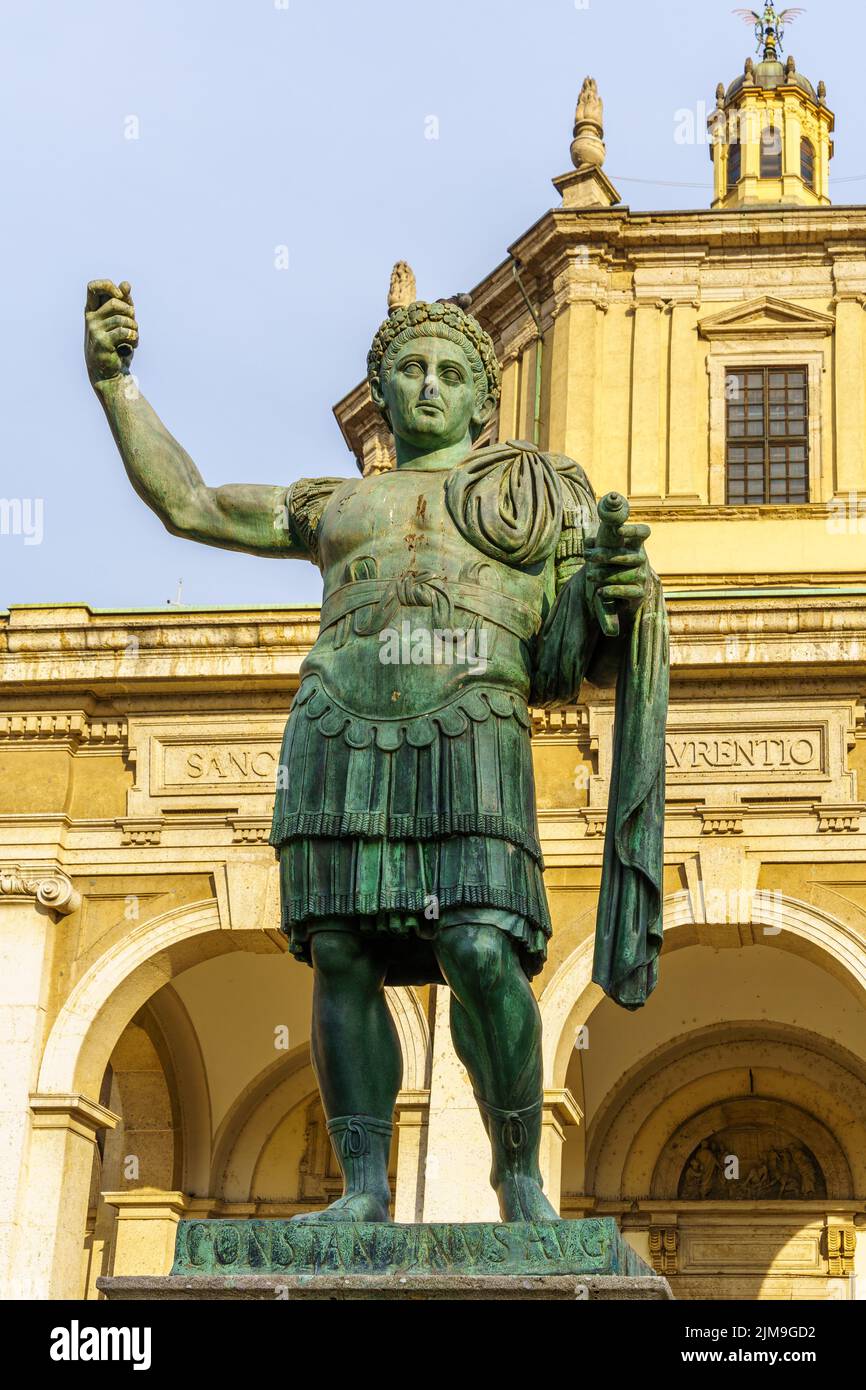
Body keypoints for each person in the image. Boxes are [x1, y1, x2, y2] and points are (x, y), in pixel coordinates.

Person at [85, 280, 668, 1222]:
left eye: (451, 373)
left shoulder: (527, 498)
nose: (429, 386)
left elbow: (575, 646)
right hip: (337, 732)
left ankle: (517, 1170)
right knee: (344, 955)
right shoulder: (337, 504)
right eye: (410, 369)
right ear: (382, 391)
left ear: (487, 400)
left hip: (471, 728)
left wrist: (615, 594)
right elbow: (190, 506)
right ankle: (362, 1186)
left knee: (481, 947)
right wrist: (118, 387)